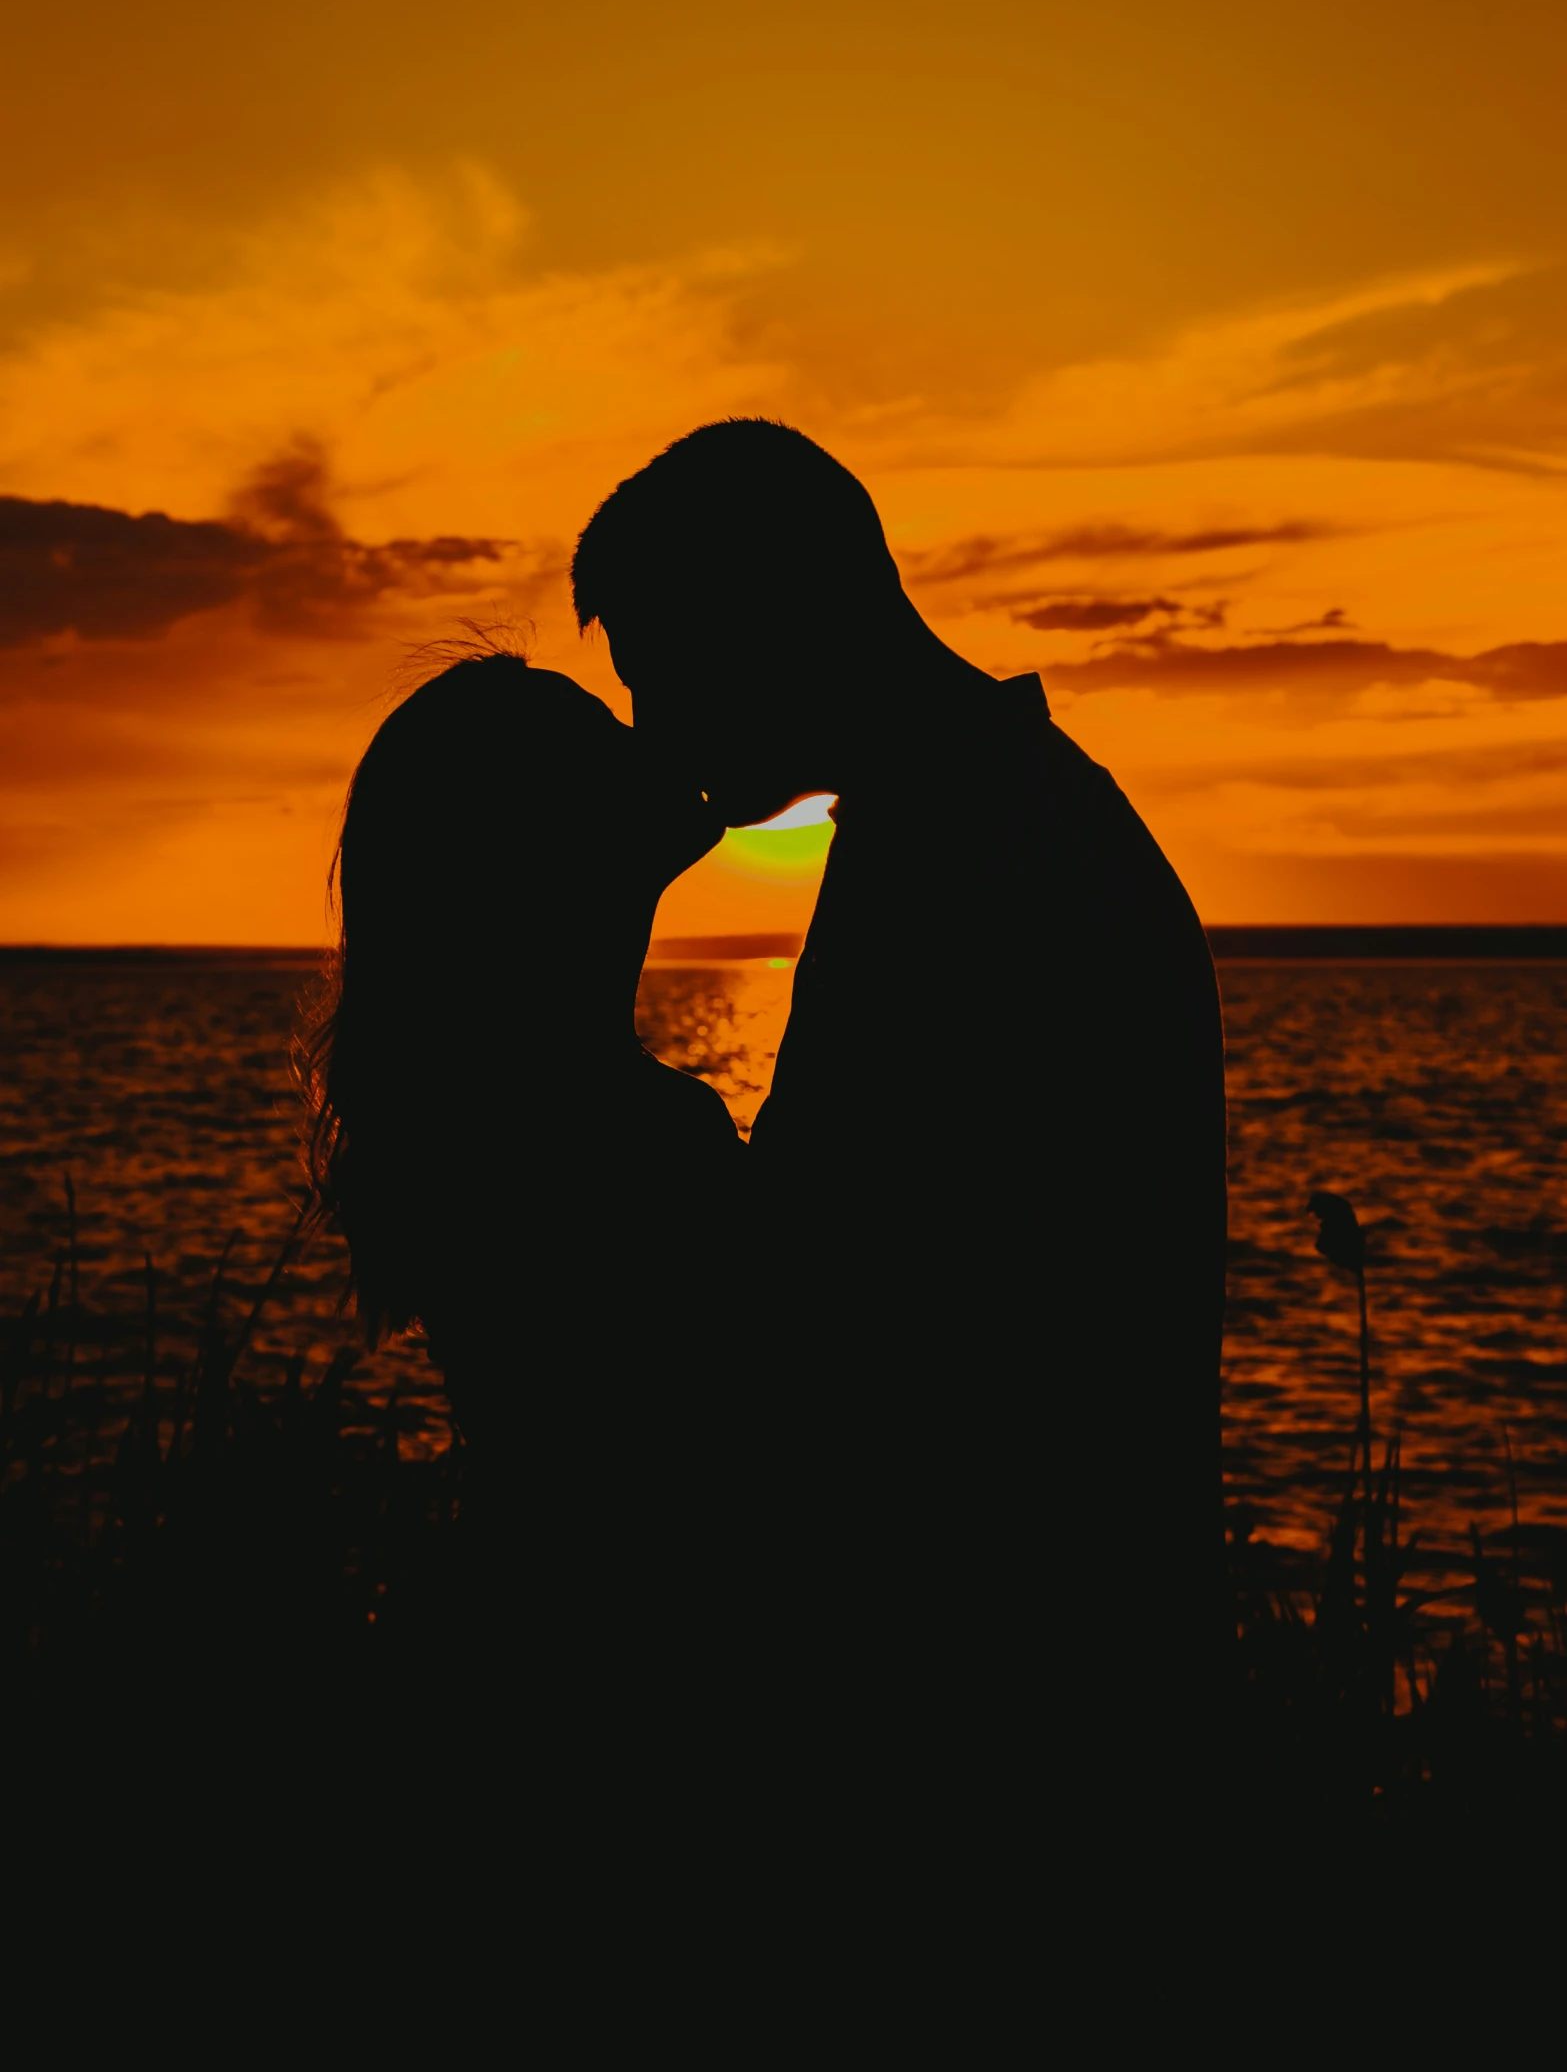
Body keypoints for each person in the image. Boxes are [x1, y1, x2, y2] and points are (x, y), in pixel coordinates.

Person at [572, 419, 1228, 1843]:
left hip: (1005, 1743)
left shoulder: (984, 862)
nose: (651, 732)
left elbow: (824, 1321)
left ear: (765, 618)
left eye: (657, 674)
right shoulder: (977, 822)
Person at [301, 643, 746, 1661]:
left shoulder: (493, 1113)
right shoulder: (628, 1138)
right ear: (546, 843)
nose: (646, 741)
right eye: (604, 742)